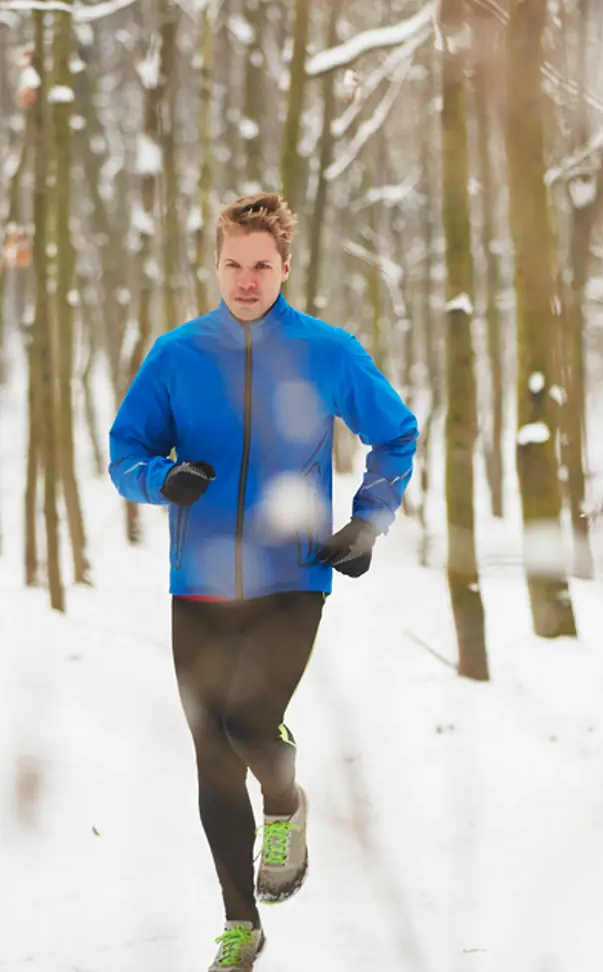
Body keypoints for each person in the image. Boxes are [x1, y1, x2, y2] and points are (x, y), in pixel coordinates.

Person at [108, 192, 418, 970]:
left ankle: (284, 803)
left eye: (261, 266)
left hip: (292, 575)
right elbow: (125, 453)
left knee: (249, 721)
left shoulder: (328, 353)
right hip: (200, 584)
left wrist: (370, 519)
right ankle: (241, 926)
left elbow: (396, 434)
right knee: (211, 751)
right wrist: (160, 480)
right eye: (233, 264)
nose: (246, 280)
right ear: (216, 264)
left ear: (285, 267)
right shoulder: (177, 355)